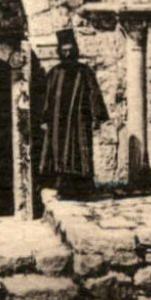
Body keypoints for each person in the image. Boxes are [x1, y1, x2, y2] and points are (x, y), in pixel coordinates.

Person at [37, 29, 107, 199]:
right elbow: (46, 97)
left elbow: (94, 94)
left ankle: (83, 189)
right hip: (58, 122)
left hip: (79, 120)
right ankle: (63, 189)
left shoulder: (85, 72)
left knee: (79, 153)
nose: (67, 54)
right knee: (59, 152)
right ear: (60, 51)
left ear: (75, 50)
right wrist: (45, 118)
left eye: (70, 50)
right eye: (64, 51)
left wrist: (97, 117)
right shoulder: (54, 73)